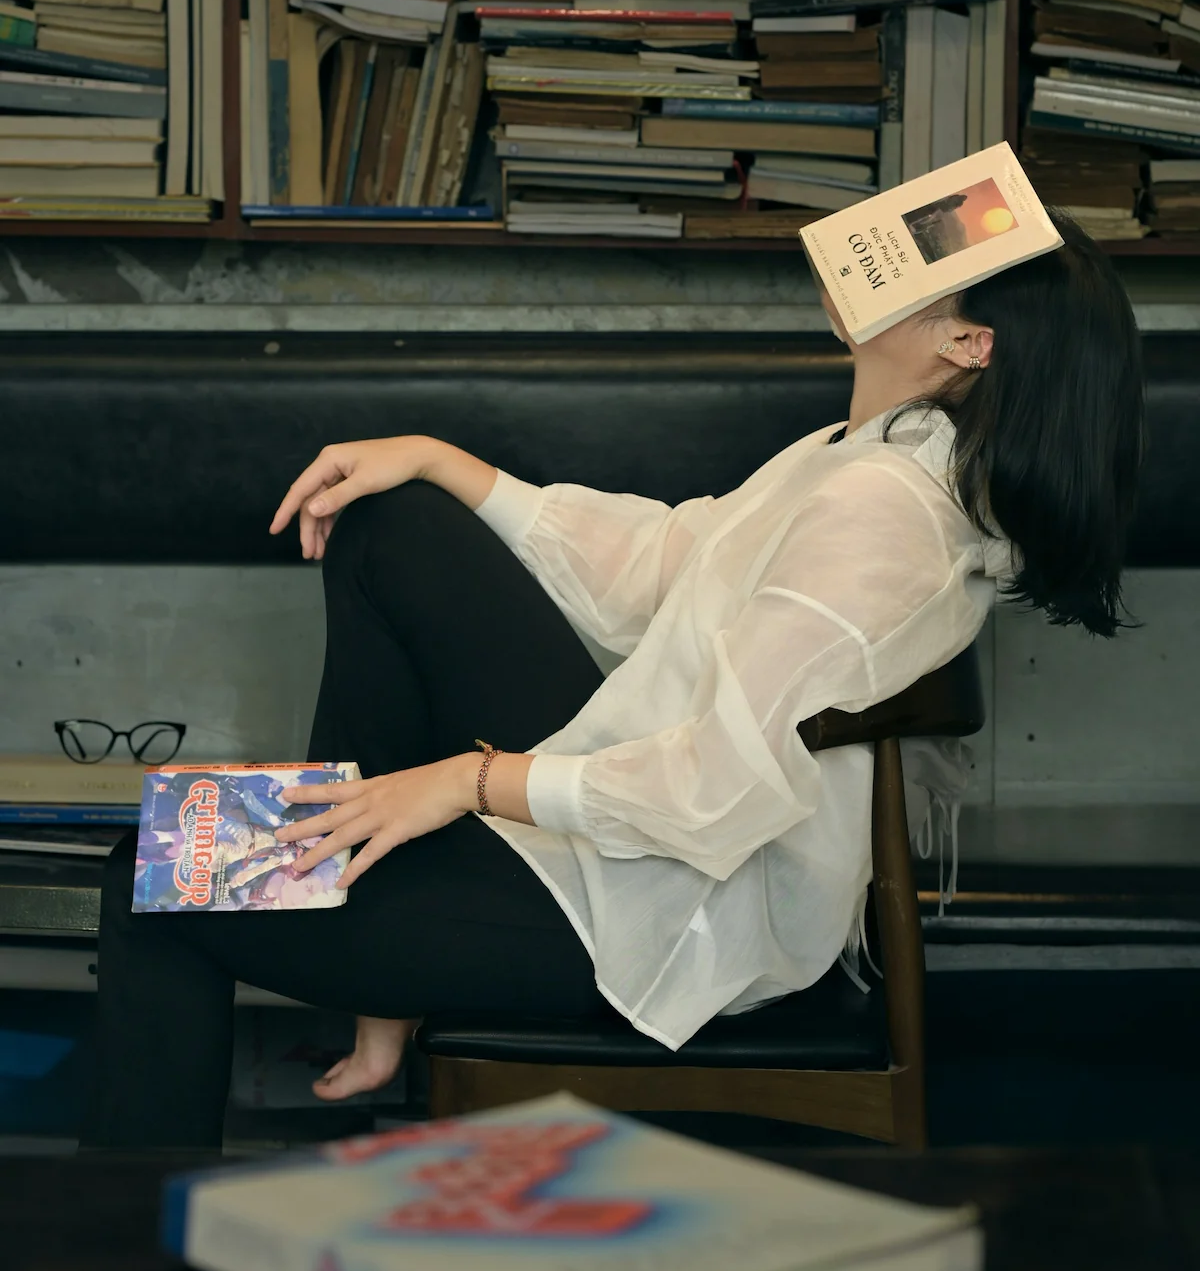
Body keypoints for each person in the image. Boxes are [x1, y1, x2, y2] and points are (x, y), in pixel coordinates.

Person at [82, 215, 1144, 1147]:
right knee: (393, 520)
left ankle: (109, 1249)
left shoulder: (883, 513)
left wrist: (469, 780)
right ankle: (374, 947)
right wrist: (444, 460)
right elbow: (665, 563)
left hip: (663, 908)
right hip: (621, 836)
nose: (887, 253)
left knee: (158, 872)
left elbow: (712, 791)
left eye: (929, 260)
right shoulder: (861, 455)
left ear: (966, 341)